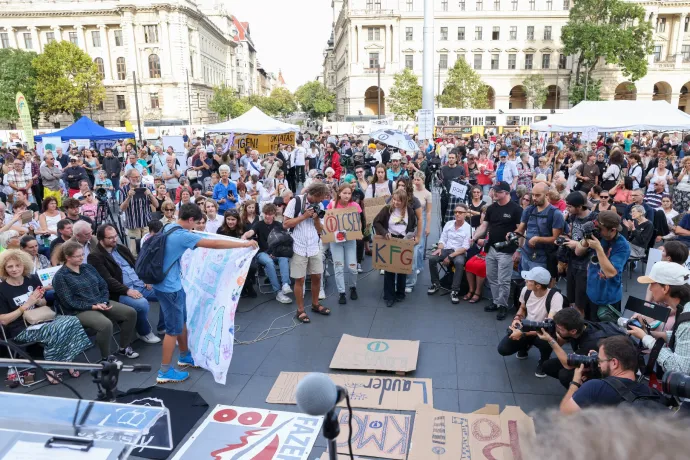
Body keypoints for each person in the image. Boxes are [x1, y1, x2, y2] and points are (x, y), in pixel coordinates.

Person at [153, 203, 257, 383]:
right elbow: (213, 243)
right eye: (197, 221)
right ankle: (164, 371)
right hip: (170, 288)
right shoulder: (182, 235)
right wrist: (244, 244)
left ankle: (184, 355)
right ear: (191, 219)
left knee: (181, 320)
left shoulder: (169, 226)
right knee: (172, 330)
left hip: (169, 284)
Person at [0, 249, 90, 384]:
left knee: (72, 321)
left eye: (17, 265)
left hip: (43, 319)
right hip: (21, 328)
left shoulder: (32, 279)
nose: (14, 269)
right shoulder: (2, 289)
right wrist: (26, 305)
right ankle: (51, 368)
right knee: (56, 330)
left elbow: (43, 303)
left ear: (24, 265)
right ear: (4, 269)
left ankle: (67, 360)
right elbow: (4, 320)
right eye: (10, 266)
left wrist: (38, 300)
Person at [53, 241, 140, 364]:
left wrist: (103, 301)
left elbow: (103, 285)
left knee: (130, 313)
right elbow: (69, 302)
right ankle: (106, 357)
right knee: (105, 324)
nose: (82, 258)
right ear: (67, 257)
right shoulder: (60, 276)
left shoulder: (87, 267)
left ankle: (123, 347)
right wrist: (93, 306)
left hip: (100, 301)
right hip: (80, 310)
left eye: (82, 255)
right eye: (78, 256)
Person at [88, 224, 161, 344]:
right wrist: (127, 291)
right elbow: (107, 280)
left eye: (116, 236)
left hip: (140, 284)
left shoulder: (121, 248)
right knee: (142, 304)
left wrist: (145, 279)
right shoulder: (95, 256)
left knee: (166, 293)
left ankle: (163, 326)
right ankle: (144, 332)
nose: (114, 239)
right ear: (101, 239)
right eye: (110, 238)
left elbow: (137, 265)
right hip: (120, 292)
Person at [560, 336, 664, 414]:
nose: (598, 364)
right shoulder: (651, 393)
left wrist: (575, 382)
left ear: (614, 363)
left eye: (600, 360)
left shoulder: (594, 387)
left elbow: (565, 412)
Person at [498, 267, 564, 378]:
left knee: (546, 340)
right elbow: (522, 308)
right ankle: (524, 346)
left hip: (544, 331)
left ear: (538, 285)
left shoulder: (555, 297)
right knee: (503, 349)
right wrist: (517, 319)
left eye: (529, 280)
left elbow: (548, 327)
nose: (526, 281)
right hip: (527, 326)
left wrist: (523, 334)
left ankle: (544, 360)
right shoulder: (526, 290)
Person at [472, 181, 523, 320]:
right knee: (492, 276)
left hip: (507, 250)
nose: (494, 193)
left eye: (498, 191)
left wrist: (519, 249)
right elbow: (484, 226)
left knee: (504, 279)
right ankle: (496, 301)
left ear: (506, 193)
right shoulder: (491, 208)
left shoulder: (516, 209)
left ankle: (503, 305)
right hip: (492, 247)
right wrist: (475, 237)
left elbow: (521, 230)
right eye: (494, 190)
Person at [629, 262, 690, 375]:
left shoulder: (686, 321)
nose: (650, 289)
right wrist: (650, 332)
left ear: (665, 288)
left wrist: (645, 338)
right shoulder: (683, 307)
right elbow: (683, 338)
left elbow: (680, 369)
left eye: (652, 284)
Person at [537, 308, 623, 388]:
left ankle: (585, 395)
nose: (557, 331)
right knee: (548, 366)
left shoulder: (590, 343)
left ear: (573, 331)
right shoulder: (580, 325)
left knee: (565, 375)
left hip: (608, 371)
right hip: (591, 360)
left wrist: (550, 339)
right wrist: (551, 332)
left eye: (559, 329)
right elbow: (559, 343)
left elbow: (568, 364)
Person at [283, 182, 331, 323]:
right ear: (314, 195)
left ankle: (315, 304)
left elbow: (319, 229)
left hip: (314, 246)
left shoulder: (320, 205)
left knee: (317, 276)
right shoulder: (295, 202)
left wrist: (316, 218)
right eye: (321, 198)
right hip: (298, 246)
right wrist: (304, 216)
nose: (322, 201)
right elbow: (285, 224)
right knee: (300, 279)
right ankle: (300, 310)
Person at [574, 210, 631, 320]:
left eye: (601, 229)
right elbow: (578, 252)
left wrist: (598, 248)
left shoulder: (622, 246)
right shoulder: (598, 235)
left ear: (613, 230)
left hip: (608, 298)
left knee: (606, 334)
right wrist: (586, 240)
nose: (598, 231)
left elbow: (611, 273)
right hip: (590, 293)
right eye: (597, 227)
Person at [373, 189, 420, 308]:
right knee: (389, 269)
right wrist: (384, 233)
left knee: (402, 269)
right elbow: (376, 222)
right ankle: (389, 296)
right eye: (394, 200)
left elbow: (413, 225)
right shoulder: (386, 209)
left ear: (404, 201)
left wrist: (411, 237)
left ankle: (400, 293)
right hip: (390, 240)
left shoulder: (410, 211)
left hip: (404, 240)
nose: (396, 203)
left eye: (399, 201)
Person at [515, 182, 565, 283]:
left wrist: (538, 239)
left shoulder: (556, 214)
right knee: (527, 285)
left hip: (543, 258)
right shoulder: (528, 210)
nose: (534, 198)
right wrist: (512, 234)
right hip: (526, 255)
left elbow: (556, 238)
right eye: (533, 195)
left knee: (539, 288)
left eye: (537, 195)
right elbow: (520, 229)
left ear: (547, 195)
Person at [242, 203, 293, 304]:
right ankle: (278, 292)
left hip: (276, 252)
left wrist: (275, 252)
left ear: (274, 214)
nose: (267, 216)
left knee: (284, 258)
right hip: (262, 253)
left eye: (270, 214)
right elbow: (251, 232)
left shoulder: (278, 225)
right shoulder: (259, 224)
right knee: (269, 262)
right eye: (265, 213)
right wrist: (245, 235)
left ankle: (285, 284)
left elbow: (284, 240)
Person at [427, 204, 471, 303]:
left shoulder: (469, 229)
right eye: (455, 212)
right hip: (446, 249)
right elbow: (443, 239)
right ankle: (436, 283)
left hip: (458, 252)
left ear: (466, 214)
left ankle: (455, 290)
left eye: (460, 212)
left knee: (459, 263)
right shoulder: (449, 224)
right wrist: (439, 248)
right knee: (432, 258)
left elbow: (465, 247)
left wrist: (450, 257)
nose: (457, 214)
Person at [326, 184, 361, 304]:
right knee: (339, 267)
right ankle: (341, 292)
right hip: (336, 241)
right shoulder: (332, 204)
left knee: (353, 267)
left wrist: (359, 232)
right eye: (344, 193)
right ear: (339, 193)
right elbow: (328, 221)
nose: (347, 195)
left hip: (350, 240)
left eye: (349, 193)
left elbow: (358, 222)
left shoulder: (355, 206)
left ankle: (353, 286)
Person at [562, 192, 596, 313]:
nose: (567, 208)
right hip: (572, 262)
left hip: (585, 265)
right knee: (571, 300)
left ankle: (579, 329)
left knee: (580, 304)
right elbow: (571, 234)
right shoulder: (572, 217)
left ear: (580, 207)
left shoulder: (593, 220)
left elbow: (595, 245)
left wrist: (576, 244)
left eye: (570, 206)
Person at [119, 168, 158, 255]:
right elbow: (122, 209)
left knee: (148, 250)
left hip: (146, 224)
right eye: (134, 177)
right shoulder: (124, 189)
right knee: (134, 252)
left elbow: (156, 205)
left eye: (138, 176)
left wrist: (150, 195)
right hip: (133, 224)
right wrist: (128, 197)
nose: (137, 179)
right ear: (129, 178)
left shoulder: (146, 187)